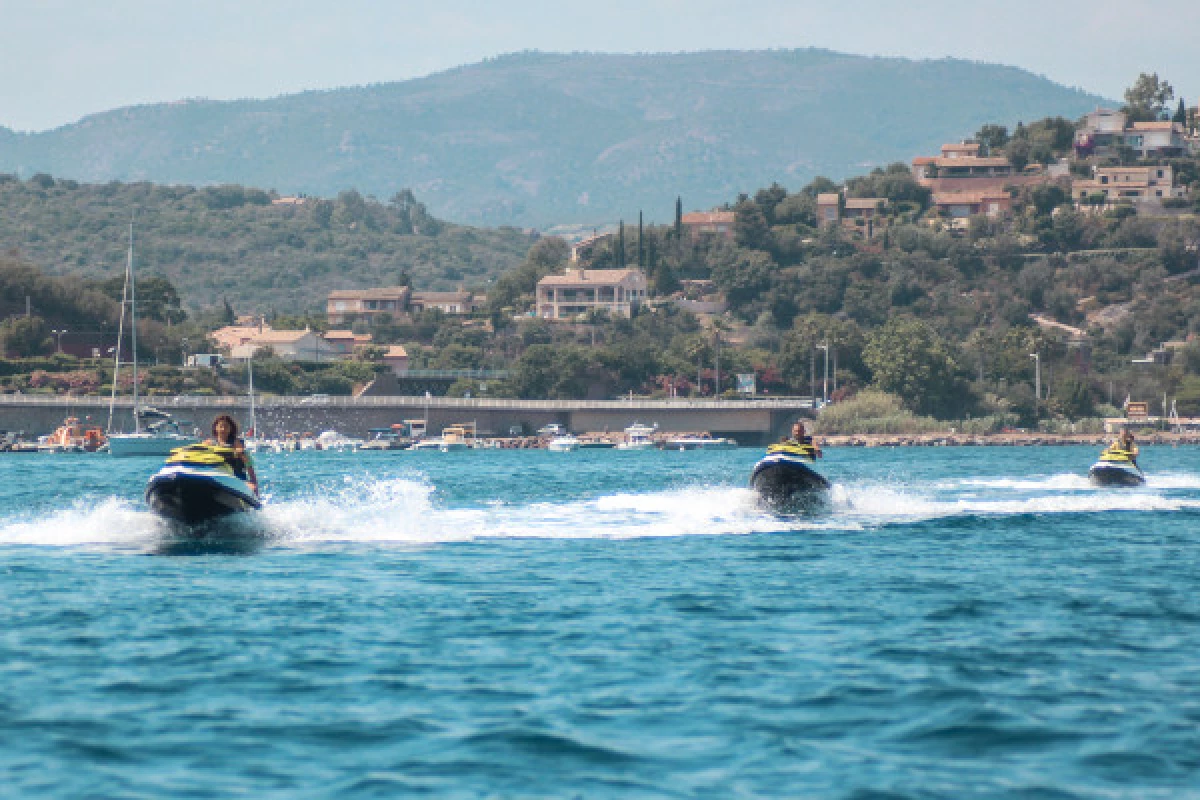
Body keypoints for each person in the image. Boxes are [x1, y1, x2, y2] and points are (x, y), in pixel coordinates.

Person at [206, 414, 258, 494]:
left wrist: (254, 485)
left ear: (231, 429)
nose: (223, 429)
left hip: (237, 480)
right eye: (221, 426)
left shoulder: (238, 445)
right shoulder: (208, 444)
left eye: (226, 427)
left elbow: (250, 469)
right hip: (216, 478)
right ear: (215, 428)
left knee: (252, 487)